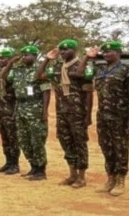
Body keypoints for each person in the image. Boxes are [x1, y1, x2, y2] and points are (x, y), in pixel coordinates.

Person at [40, 39, 94, 188]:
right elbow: (39, 76)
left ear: (74, 50)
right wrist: (47, 59)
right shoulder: (57, 66)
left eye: (66, 49)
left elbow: (89, 92)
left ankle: (81, 177)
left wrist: (88, 115)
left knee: (79, 143)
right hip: (62, 111)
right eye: (61, 50)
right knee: (66, 142)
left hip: (77, 112)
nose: (63, 52)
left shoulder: (83, 66)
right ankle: (72, 174)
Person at [92, 41, 129, 196]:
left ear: (119, 53)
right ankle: (110, 178)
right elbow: (81, 73)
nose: (106, 54)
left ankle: (121, 180)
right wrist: (88, 57)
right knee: (106, 147)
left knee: (120, 148)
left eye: (109, 51)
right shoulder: (100, 69)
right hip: (103, 115)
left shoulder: (126, 70)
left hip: (120, 116)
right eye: (104, 52)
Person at [6, 45, 50, 181]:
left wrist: (44, 112)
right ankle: (33, 166)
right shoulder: (18, 70)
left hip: (35, 108)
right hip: (21, 108)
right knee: (24, 140)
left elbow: (46, 91)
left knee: (37, 140)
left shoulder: (41, 69)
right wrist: (10, 64)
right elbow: (5, 78)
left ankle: (41, 170)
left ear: (35, 56)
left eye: (27, 55)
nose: (24, 57)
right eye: (23, 55)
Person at [0, 48, 20, 175]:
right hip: (0, 109)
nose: (0, 60)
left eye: (4, 58)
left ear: (10, 59)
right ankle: (8, 162)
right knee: (5, 138)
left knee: (13, 138)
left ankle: (15, 164)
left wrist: (10, 65)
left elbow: (6, 78)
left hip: (10, 110)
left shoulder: (14, 71)